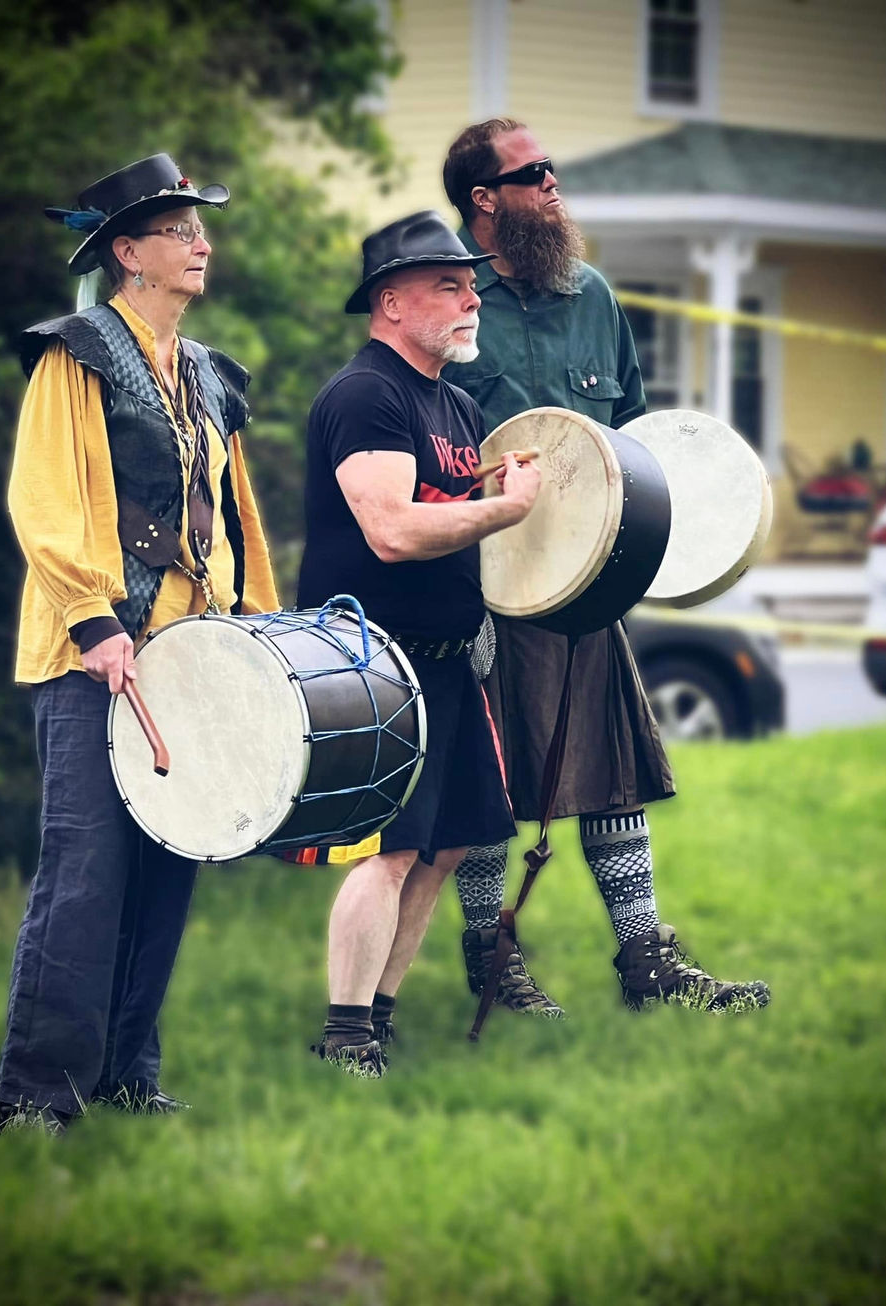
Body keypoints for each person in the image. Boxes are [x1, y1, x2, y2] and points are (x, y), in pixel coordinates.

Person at [441, 120, 770, 1015]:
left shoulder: (592, 296)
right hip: (488, 583)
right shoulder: (452, 302)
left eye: (554, 169)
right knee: (492, 782)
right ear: (485, 200)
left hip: (590, 580)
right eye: (533, 173)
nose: (554, 185)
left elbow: (635, 438)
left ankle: (646, 964)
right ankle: (490, 955)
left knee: (612, 769)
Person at [0, 154, 280, 1134]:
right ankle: (36, 1098)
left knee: (166, 872)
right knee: (85, 877)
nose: (202, 242)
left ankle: (125, 1075)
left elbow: (233, 520)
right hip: (95, 661)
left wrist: (253, 630)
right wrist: (93, 620)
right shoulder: (75, 353)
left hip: (191, 662)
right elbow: (44, 499)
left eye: (200, 227)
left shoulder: (207, 374)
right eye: (179, 229)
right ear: (127, 252)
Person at [296, 210, 540, 1076]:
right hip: (373, 662)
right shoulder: (368, 393)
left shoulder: (459, 404)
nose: (472, 297)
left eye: (471, 284)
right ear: (390, 301)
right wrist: (506, 508)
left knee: (448, 848)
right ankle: (345, 1035)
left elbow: (463, 517)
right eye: (450, 284)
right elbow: (394, 531)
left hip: (444, 660)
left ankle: (380, 1015)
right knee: (394, 851)